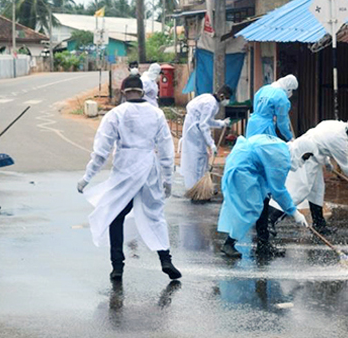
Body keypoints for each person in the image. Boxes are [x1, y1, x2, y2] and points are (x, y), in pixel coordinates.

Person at [77, 75, 181, 281]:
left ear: (123, 92)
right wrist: (168, 178)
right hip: (149, 170)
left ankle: (117, 266)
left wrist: (87, 177)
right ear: (143, 92)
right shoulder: (156, 114)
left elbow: (101, 151)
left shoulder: (116, 114)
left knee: (116, 214)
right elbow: (166, 150)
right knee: (155, 215)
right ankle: (165, 260)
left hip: (125, 170)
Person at [217, 133, 314, 258]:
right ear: (300, 150)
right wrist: (294, 212)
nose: (303, 162)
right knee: (251, 208)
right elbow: (278, 191)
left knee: (264, 201)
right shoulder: (282, 158)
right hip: (242, 168)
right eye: (304, 157)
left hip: (248, 164)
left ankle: (263, 245)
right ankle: (228, 243)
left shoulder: (284, 149)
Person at [268, 118, 348, 235]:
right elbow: (346, 165)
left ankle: (319, 225)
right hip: (306, 156)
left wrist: (327, 163)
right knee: (299, 191)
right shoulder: (340, 139)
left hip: (314, 156)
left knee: (317, 191)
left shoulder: (335, 125)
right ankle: (270, 219)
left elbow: (320, 141)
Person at [179, 85, 233, 190]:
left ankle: (199, 186)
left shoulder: (211, 100)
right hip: (194, 130)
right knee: (197, 157)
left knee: (201, 157)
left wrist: (221, 123)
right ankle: (195, 187)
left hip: (195, 127)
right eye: (227, 98)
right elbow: (204, 125)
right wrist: (211, 144)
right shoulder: (210, 104)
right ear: (222, 96)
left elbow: (207, 121)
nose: (227, 101)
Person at [246, 74, 298, 141]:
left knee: (251, 147)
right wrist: (289, 137)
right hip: (265, 127)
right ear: (289, 88)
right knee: (267, 149)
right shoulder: (281, 97)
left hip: (252, 125)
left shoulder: (263, 89)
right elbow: (282, 122)